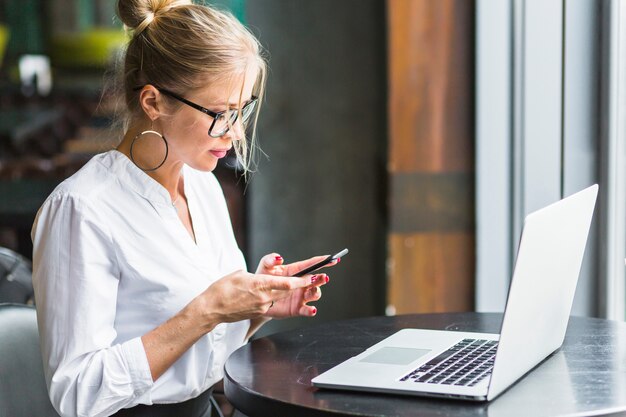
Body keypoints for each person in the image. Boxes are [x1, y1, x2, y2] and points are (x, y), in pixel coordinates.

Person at [31, 1, 335, 416]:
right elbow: (78, 393)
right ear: (153, 102)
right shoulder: (82, 210)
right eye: (219, 113)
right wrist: (207, 310)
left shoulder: (203, 186)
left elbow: (203, 353)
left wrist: (253, 310)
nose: (234, 132)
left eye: (241, 110)